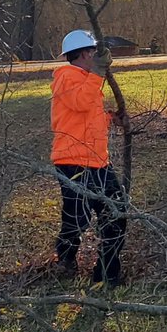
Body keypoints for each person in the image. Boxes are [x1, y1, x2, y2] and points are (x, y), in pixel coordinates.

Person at [51, 29, 127, 286]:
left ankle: (107, 273)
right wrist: (97, 74)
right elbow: (81, 102)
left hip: (98, 161)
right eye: (93, 52)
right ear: (84, 54)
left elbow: (86, 117)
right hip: (72, 161)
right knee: (76, 220)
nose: (97, 56)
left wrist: (111, 119)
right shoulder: (66, 77)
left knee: (116, 214)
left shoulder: (86, 79)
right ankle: (65, 259)